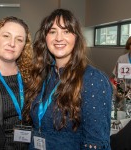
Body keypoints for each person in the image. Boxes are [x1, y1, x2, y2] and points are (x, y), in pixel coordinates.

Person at [24, 9, 112, 150]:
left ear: (76, 37)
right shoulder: (42, 75)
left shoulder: (93, 79)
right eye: (52, 31)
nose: (59, 38)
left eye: (66, 31)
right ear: (45, 38)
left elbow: (95, 143)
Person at [0, 16, 33, 149]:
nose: (12, 43)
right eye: (6, 36)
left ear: (24, 46)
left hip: (29, 145)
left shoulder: (33, 76)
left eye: (19, 39)